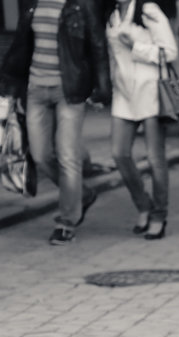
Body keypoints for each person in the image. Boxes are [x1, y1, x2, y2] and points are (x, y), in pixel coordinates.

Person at [0, 0, 110, 245]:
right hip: (36, 90)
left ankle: (67, 221)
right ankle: (83, 194)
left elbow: (98, 45)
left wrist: (102, 89)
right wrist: (11, 87)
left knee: (67, 155)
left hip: (69, 91)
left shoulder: (82, 5)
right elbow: (21, 47)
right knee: (40, 155)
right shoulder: (32, 4)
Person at [104, 0, 177, 239]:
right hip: (123, 96)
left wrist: (136, 47)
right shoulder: (113, 13)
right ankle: (143, 206)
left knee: (155, 158)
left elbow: (170, 51)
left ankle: (158, 216)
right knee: (119, 154)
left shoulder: (148, 11)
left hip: (150, 93)